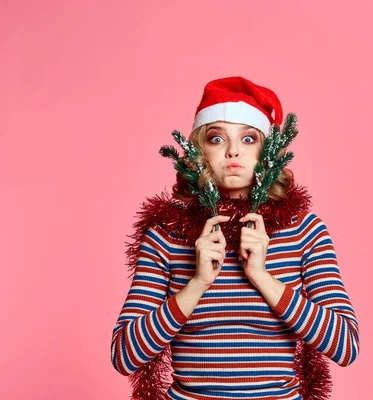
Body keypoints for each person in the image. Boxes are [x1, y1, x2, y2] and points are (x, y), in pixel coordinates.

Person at [110, 76, 360, 400]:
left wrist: (262, 278)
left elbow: (345, 345)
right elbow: (124, 355)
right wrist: (197, 283)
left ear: (267, 151)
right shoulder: (166, 236)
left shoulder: (304, 231)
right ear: (200, 151)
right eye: (216, 139)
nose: (232, 152)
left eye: (248, 138)